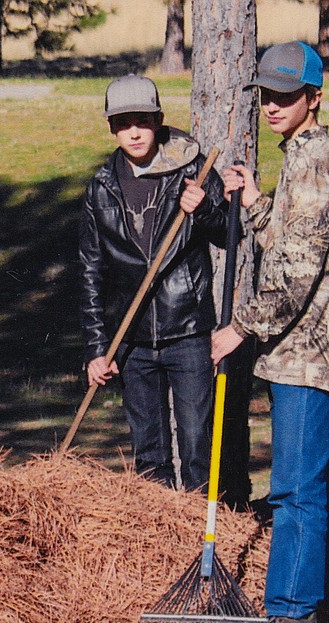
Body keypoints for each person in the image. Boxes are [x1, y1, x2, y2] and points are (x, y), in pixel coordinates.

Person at [213, 41, 329, 623]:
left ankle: (294, 620)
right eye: (267, 95)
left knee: (295, 488)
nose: (273, 105)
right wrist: (254, 204)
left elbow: (296, 274)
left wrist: (238, 328)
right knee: (303, 485)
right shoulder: (299, 160)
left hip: (308, 354)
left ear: (314, 97)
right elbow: (291, 239)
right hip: (297, 351)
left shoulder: (319, 163)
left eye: (286, 95)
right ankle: (308, 601)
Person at [79, 74, 230, 492]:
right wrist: (97, 349)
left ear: (159, 120)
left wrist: (202, 211)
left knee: (198, 446)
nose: (134, 131)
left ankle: (202, 543)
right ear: (111, 127)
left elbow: (226, 234)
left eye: (143, 121)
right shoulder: (100, 188)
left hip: (188, 332)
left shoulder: (193, 170)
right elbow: (91, 272)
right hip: (131, 339)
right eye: (124, 122)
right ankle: (158, 545)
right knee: (149, 454)